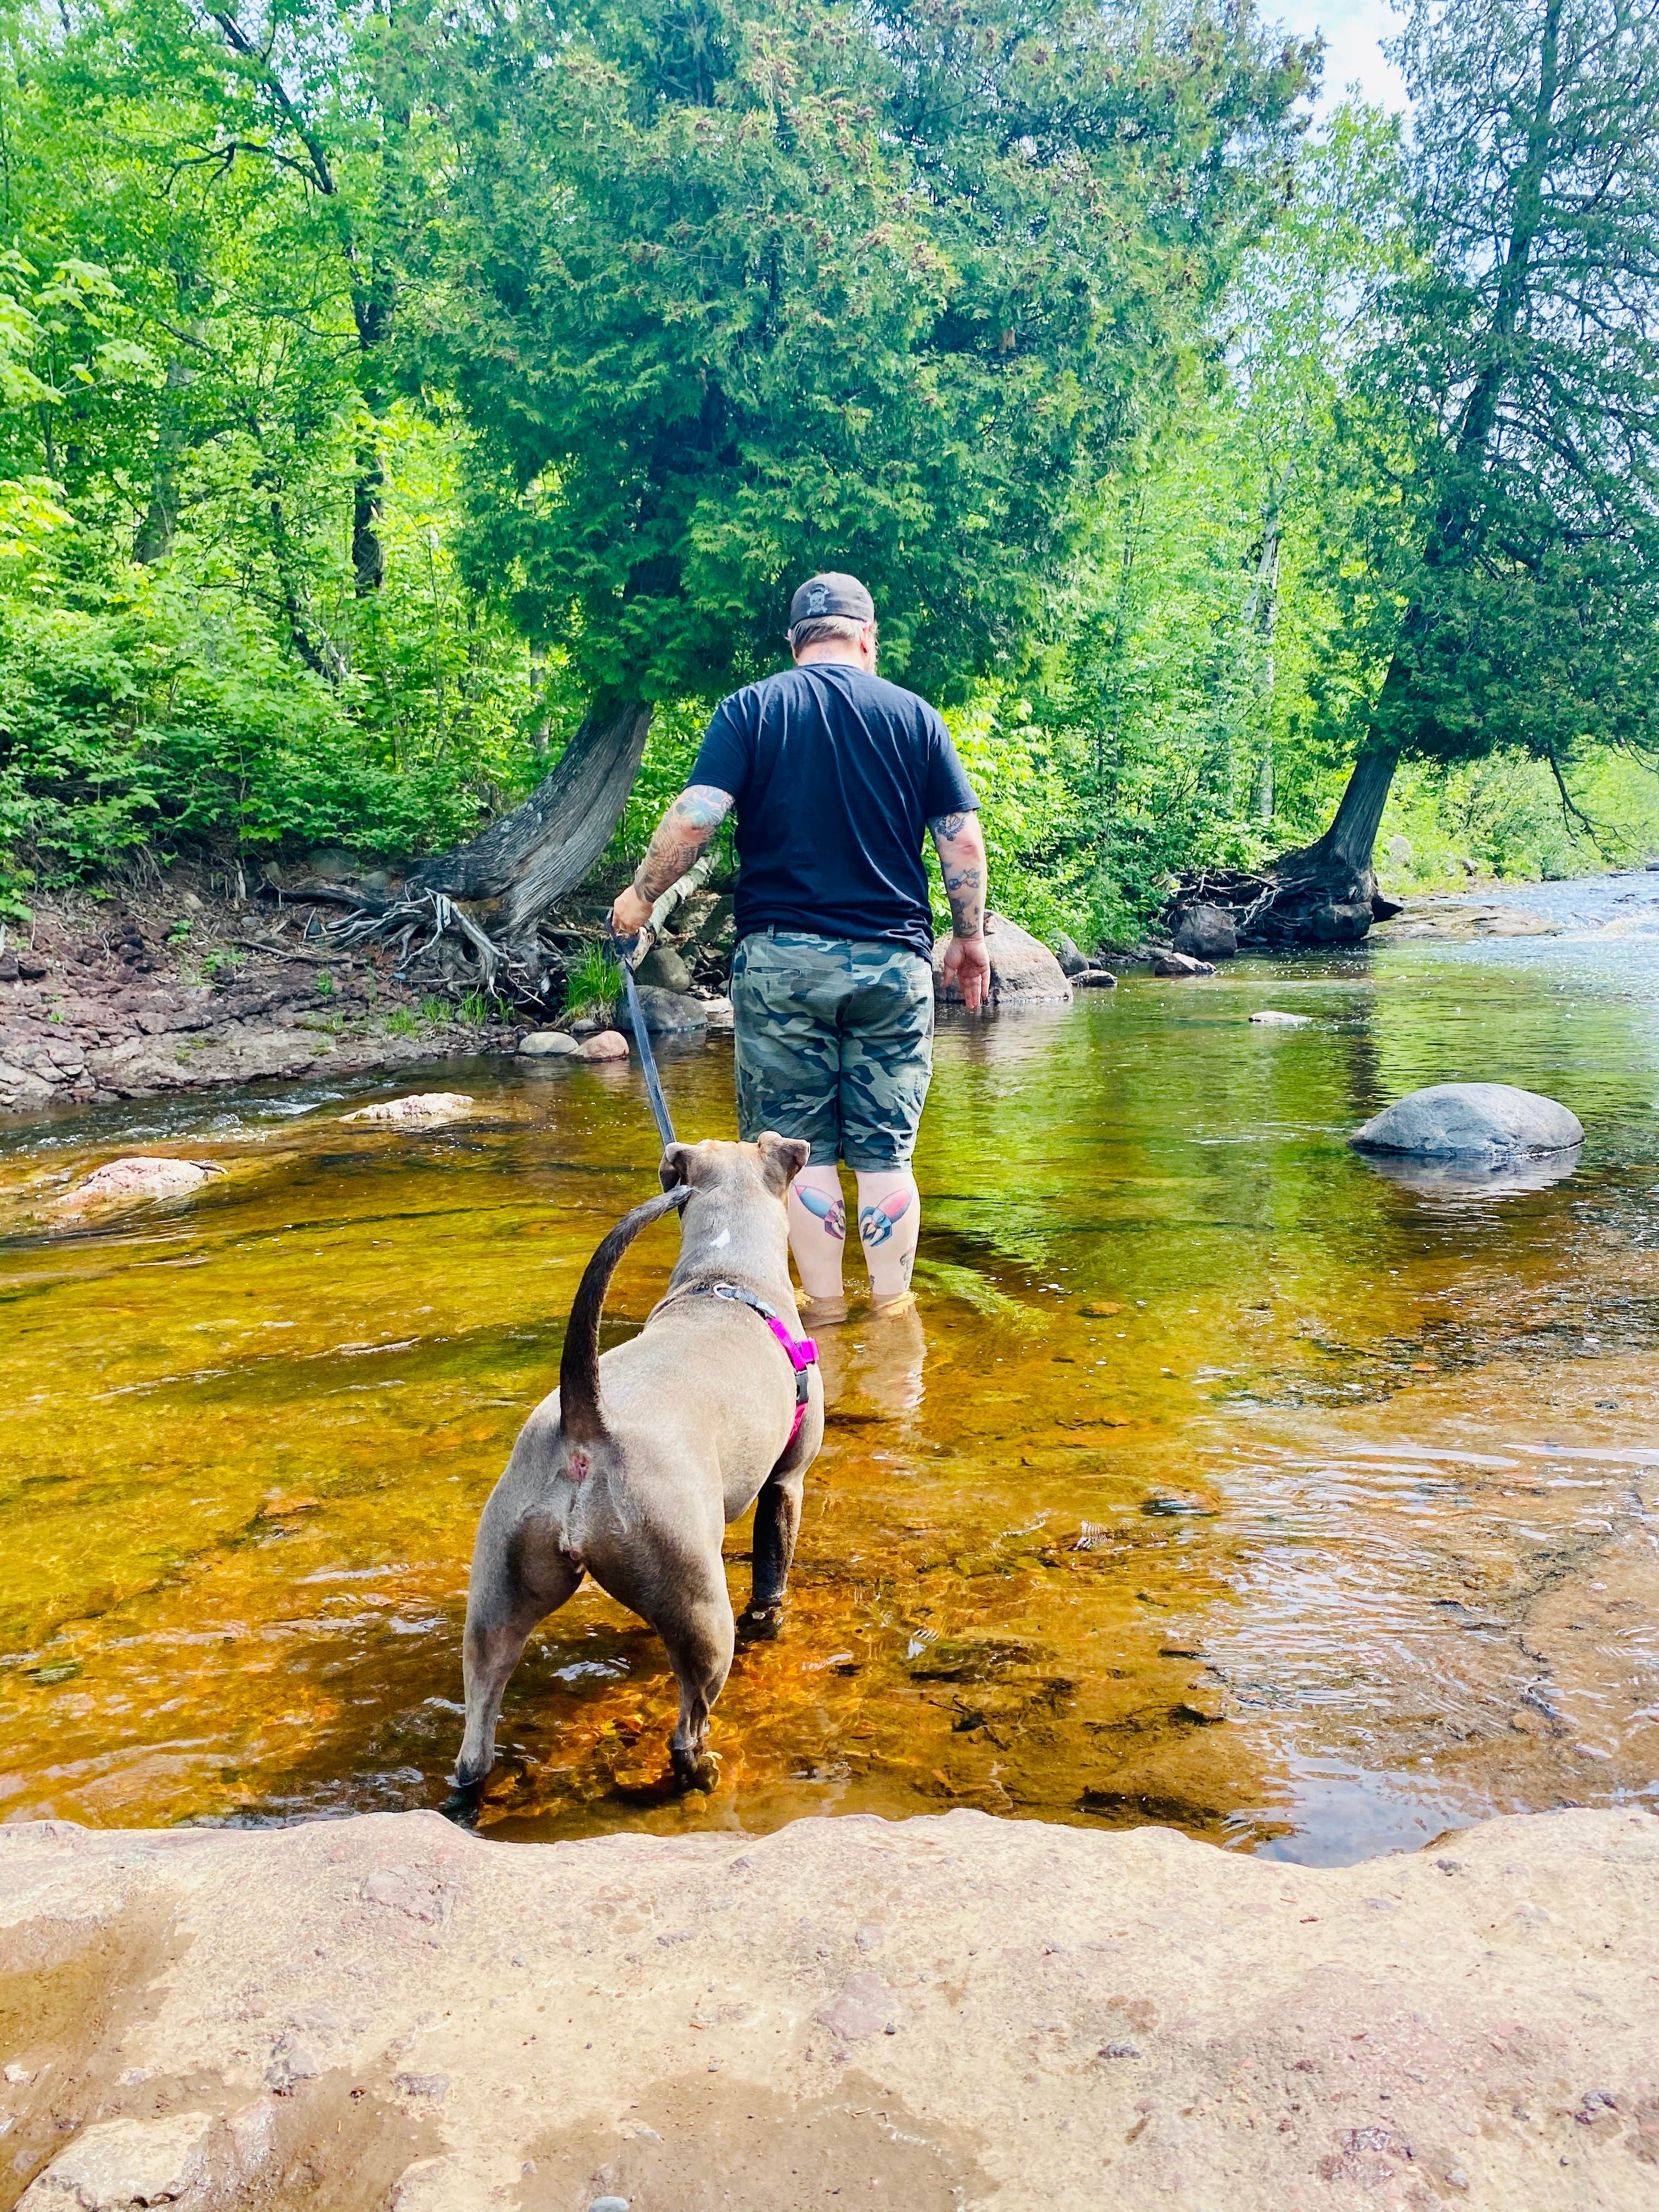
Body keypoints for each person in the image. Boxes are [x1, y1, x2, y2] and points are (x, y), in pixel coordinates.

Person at [610, 572, 991, 1322]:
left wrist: (642, 895)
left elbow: (696, 820)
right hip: (892, 962)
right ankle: (890, 1318)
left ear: (794, 644)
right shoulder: (916, 718)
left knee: (796, 1150)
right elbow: (962, 839)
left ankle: (820, 1316)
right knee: (886, 1157)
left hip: (783, 963)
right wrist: (970, 940)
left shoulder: (751, 709)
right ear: (867, 638)